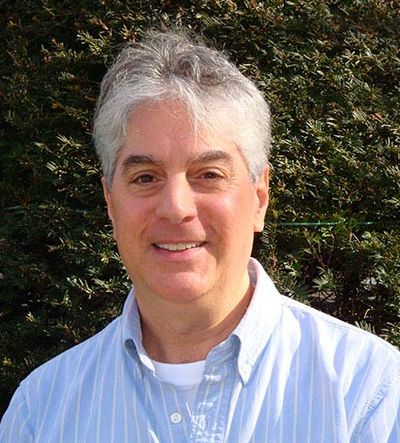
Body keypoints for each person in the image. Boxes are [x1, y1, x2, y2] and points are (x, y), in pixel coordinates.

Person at [1, 30, 399, 443]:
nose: (176, 207)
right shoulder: (40, 413)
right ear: (110, 202)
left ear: (259, 198)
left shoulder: (368, 394)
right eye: (145, 177)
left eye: (208, 174)